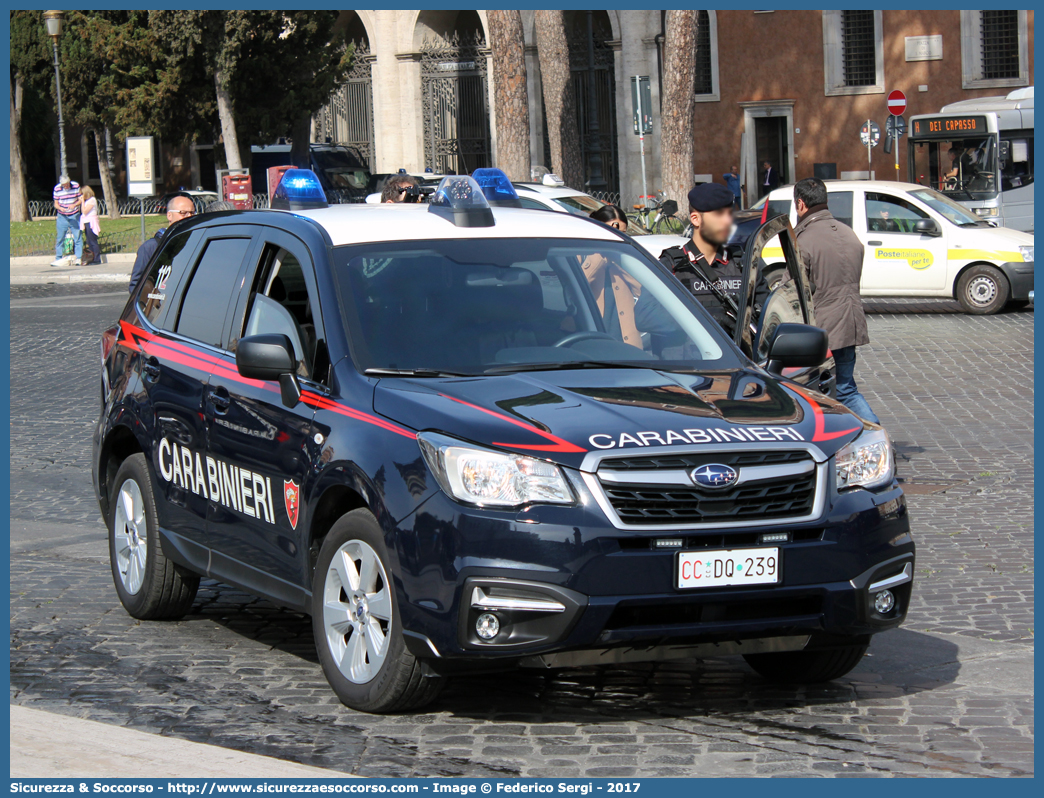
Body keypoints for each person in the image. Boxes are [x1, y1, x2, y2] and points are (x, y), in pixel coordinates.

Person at [793, 177, 879, 424]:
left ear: (800, 204)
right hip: (850, 324)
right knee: (844, 387)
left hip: (822, 331)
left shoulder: (805, 239)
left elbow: (795, 291)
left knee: (836, 391)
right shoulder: (848, 233)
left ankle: (872, 433)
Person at [659, 183, 768, 336]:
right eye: (719, 214)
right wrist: (711, 320)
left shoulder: (744, 264)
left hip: (736, 359)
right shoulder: (671, 266)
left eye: (729, 214)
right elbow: (646, 319)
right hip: (687, 358)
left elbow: (768, 317)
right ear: (696, 219)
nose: (727, 221)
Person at [583, 206, 673, 349]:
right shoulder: (580, 254)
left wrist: (619, 259)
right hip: (592, 341)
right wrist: (599, 253)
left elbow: (642, 290)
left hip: (625, 342)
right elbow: (579, 285)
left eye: (622, 234)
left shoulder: (623, 258)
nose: (616, 238)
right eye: (610, 232)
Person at [128, 194, 196, 294]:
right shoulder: (151, 247)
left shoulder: (196, 242)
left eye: (192, 213)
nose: (189, 217)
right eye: (183, 213)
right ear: (169, 215)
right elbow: (136, 286)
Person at [51, 174, 83, 267]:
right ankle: (58, 258)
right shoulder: (57, 189)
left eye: (67, 184)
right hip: (62, 215)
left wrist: (75, 205)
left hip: (74, 214)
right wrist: (60, 208)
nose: (66, 186)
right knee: (60, 237)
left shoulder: (76, 186)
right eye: (64, 185)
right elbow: (56, 204)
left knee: (77, 236)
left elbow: (81, 199)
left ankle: (78, 258)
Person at [78, 185, 102, 266]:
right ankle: (92, 257)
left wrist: (82, 202)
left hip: (91, 222)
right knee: (89, 241)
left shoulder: (92, 200)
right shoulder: (87, 201)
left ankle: (97, 259)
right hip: (86, 221)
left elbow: (85, 211)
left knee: (93, 241)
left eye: (82, 194)